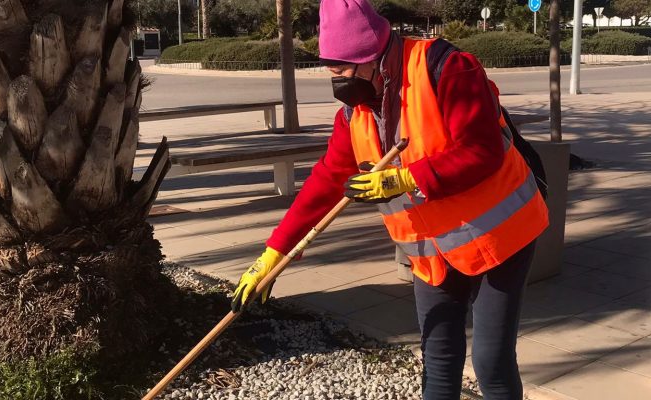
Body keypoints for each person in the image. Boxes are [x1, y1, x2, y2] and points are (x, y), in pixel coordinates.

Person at [230, 0, 549, 399]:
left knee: (491, 359)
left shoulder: (447, 68)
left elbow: (481, 151)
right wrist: (275, 254)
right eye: (332, 72)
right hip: (434, 251)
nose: (339, 83)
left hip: (502, 234)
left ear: (371, 56)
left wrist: (408, 178)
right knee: (439, 356)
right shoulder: (354, 114)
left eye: (343, 70)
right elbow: (326, 182)